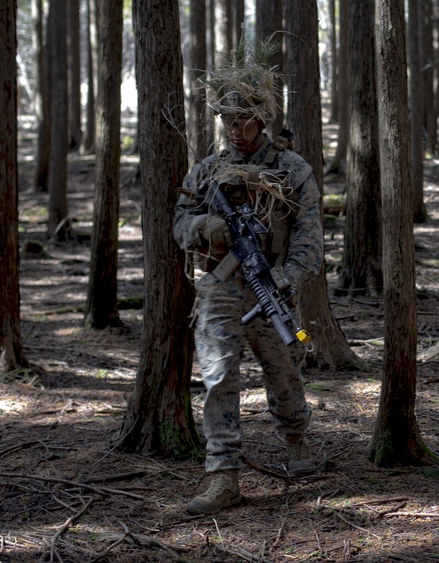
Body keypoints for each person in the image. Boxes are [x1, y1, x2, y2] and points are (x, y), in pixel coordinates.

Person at [172, 48, 324, 515]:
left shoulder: (292, 170)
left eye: (243, 121)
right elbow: (178, 224)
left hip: (272, 288)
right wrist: (205, 229)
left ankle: (296, 438)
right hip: (219, 290)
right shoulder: (207, 171)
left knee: (285, 372)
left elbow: (309, 238)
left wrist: (285, 277)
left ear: (261, 119)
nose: (235, 130)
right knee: (218, 379)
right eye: (227, 121)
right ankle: (223, 476)